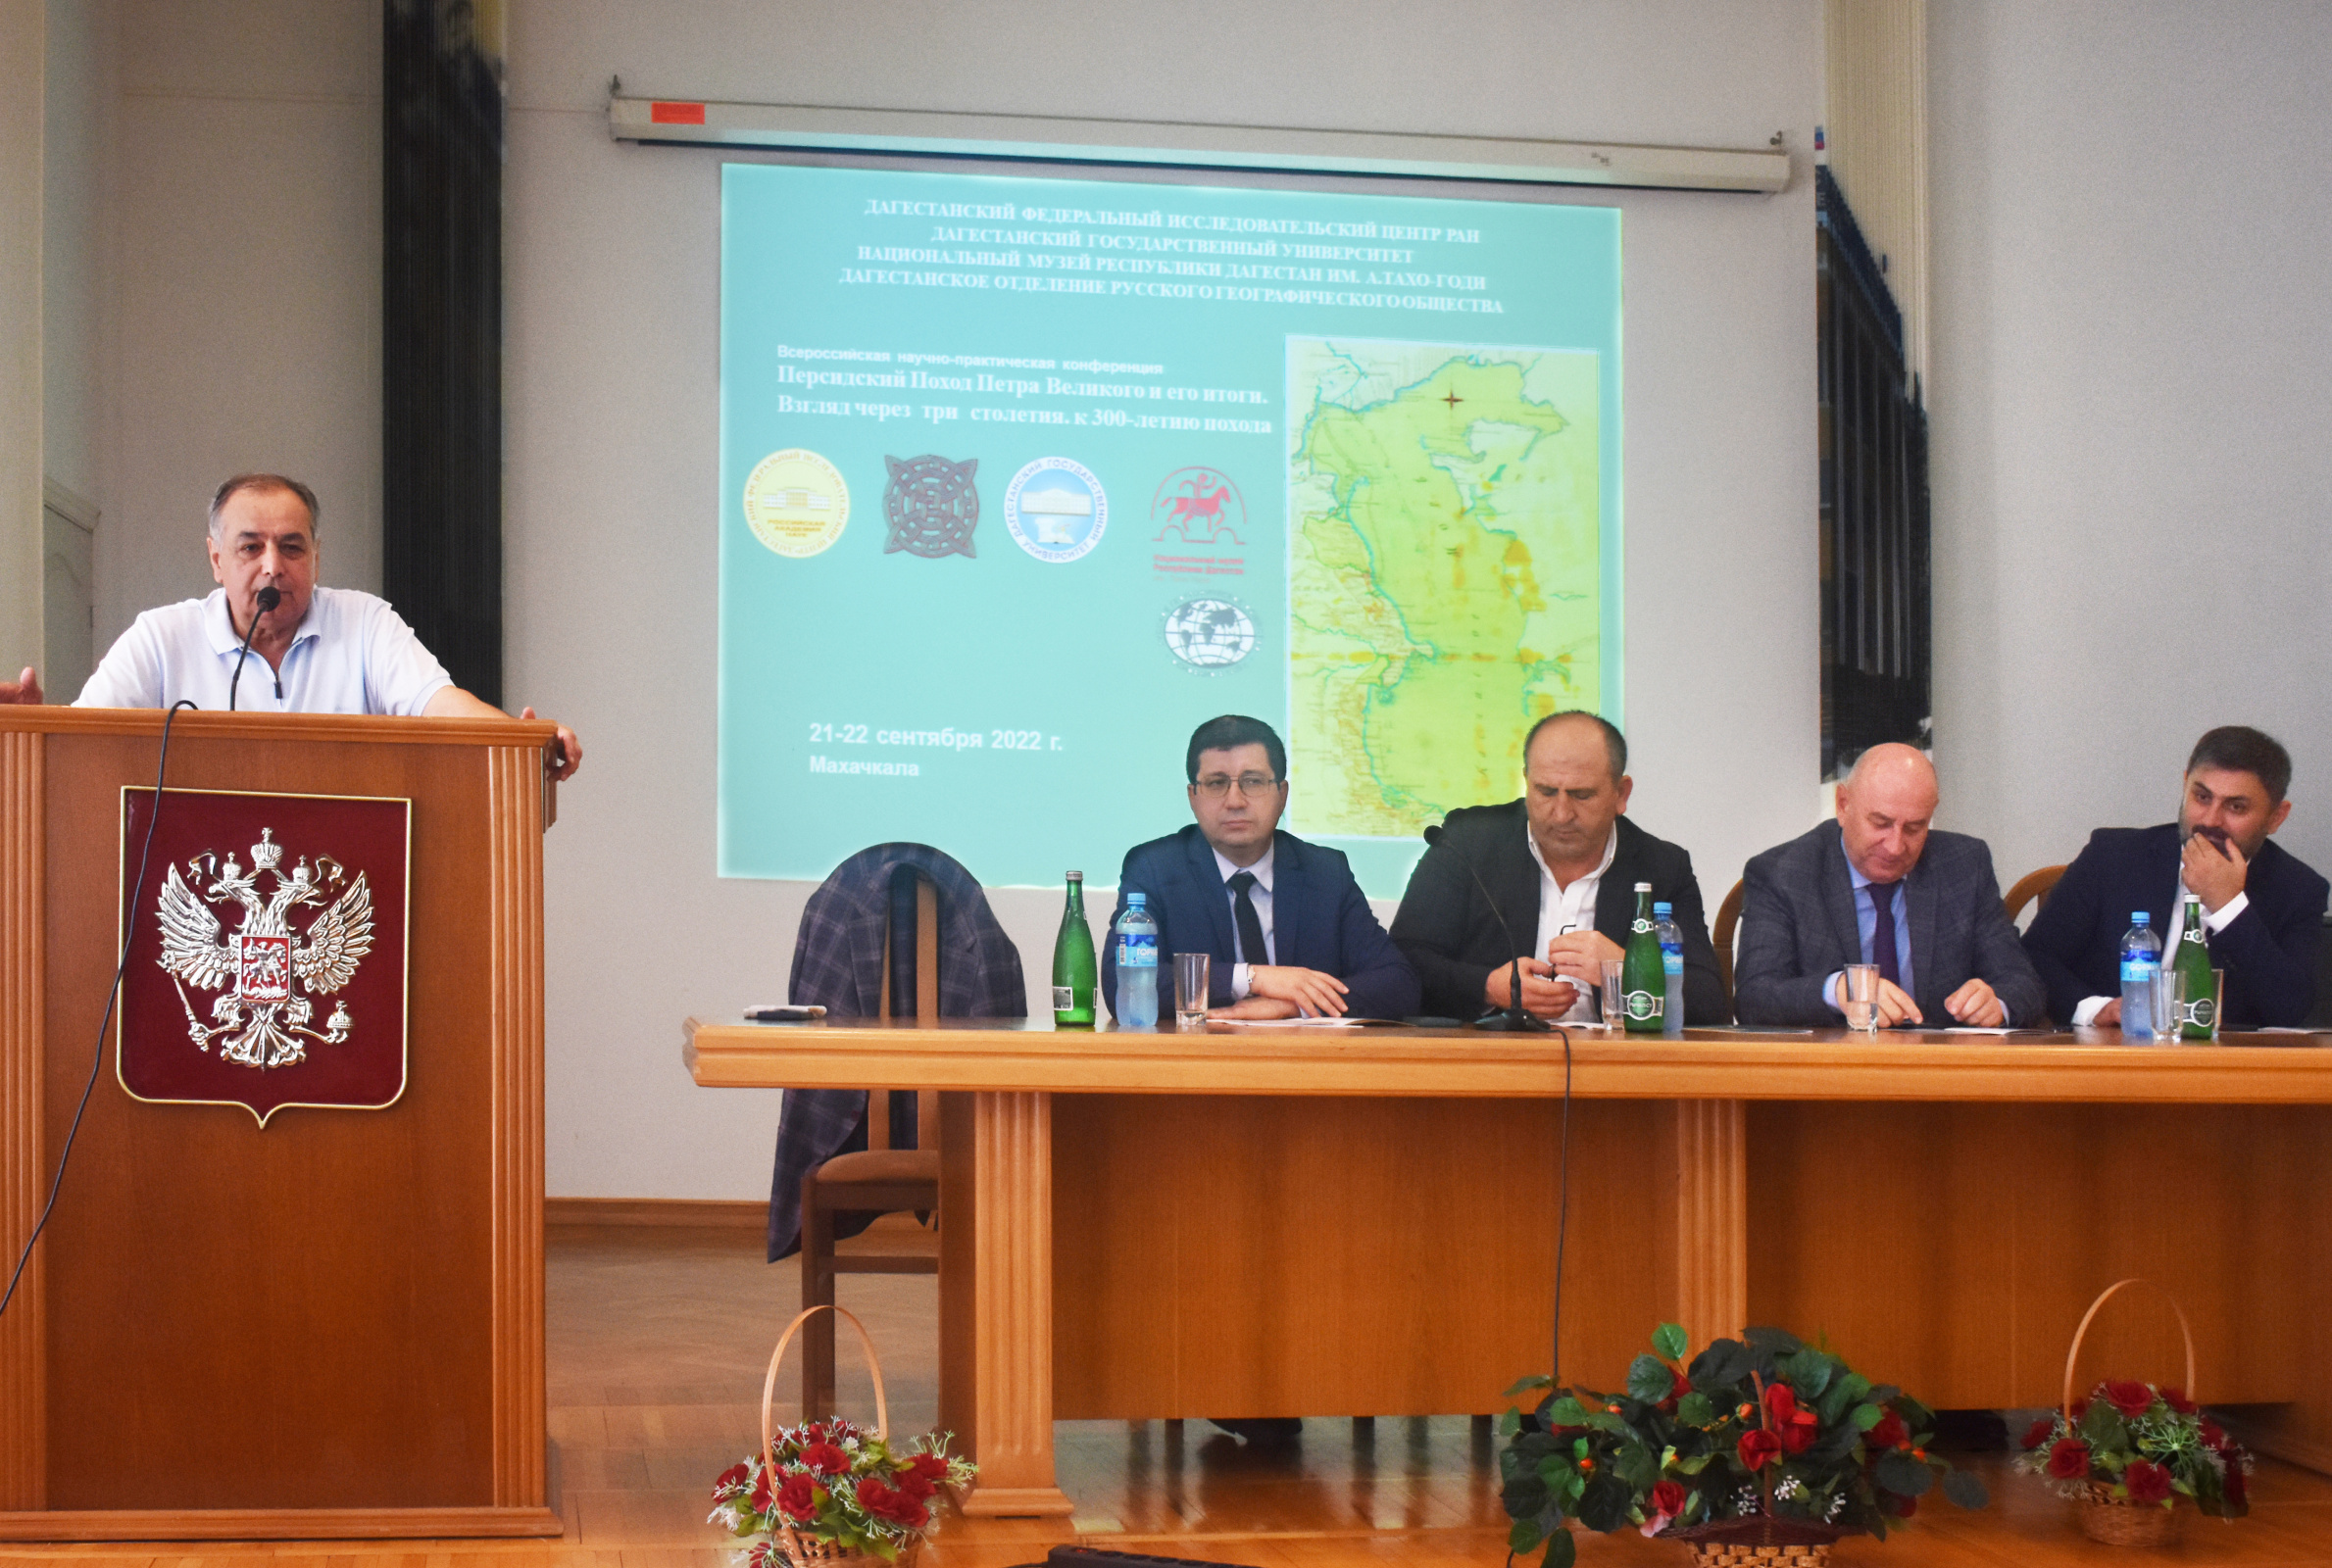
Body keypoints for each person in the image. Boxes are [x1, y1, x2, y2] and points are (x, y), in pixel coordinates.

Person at [1, 473, 578, 778]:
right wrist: (29, 734)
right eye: (250, 547)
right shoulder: (161, 638)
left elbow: (439, 704)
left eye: (292, 547)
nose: (273, 565)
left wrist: (520, 740)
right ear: (216, 559)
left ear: (316, 558)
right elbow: (84, 743)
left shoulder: (365, 624)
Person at [1389, 710, 1725, 1025]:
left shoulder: (1662, 866)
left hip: (1614, 1060)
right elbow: (1404, 961)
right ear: (1526, 781)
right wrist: (1488, 987)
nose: (1562, 814)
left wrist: (1626, 970)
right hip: (1489, 1057)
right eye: (1546, 792)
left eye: (1582, 795)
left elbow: (1710, 1002)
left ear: (1621, 794)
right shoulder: (1466, 844)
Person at [1102, 714, 1418, 1021]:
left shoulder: (1325, 873)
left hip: (1305, 1055)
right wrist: (1252, 978)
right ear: (1193, 797)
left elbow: (1398, 983)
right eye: (1216, 783)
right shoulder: (1155, 869)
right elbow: (1122, 983)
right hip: (1200, 1055)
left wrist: (1294, 1005)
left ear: (1282, 794)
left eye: (1253, 782)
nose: (1235, 801)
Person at [2022, 726, 2326, 1030]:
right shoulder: (2112, 856)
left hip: (2224, 1056)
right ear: (2185, 785)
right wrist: (2095, 1009)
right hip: (2113, 1047)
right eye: (2202, 797)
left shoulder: (2298, 889)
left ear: (2276, 817)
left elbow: (2291, 1009)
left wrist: (2229, 908)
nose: (2211, 820)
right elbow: (2036, 956)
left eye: (2236, 807)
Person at [1733, 743, 2043, 1028]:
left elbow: (2023, 983)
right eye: (1881, 823)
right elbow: (1754, 998)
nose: (1895, 847)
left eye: (1914, 828)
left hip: (1938, 1064)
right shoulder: (1784, 873)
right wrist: (1840, 990)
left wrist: (1997, 1004)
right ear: (1843, 805)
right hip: (1833, 1064)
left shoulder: (1964, 865)